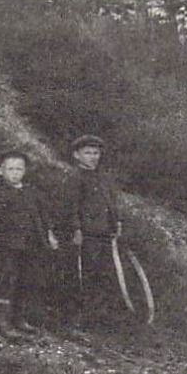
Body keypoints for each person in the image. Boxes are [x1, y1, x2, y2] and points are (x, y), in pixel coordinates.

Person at [0, 148, 59, 333]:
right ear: (0, 171)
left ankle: (18, 318)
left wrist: (49, 235)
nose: (15, 173)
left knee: (26, 281)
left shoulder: (31, 193)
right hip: (8, 245)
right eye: (11, 169)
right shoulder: (0, 194)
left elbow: (43, 215)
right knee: (6, 279)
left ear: (25, 171)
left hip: (30, 244)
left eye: (19, 169)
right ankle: (1, 320)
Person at [59, 133, 125, 328]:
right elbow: (71, 207)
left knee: (102, 275)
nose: (93, 157)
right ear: (77, 155)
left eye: (96, 153)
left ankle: (96, 318)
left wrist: (117, 222)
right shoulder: (75, 177)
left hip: (105, 234)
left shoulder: (104, 178)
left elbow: (111, 203)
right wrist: (76, 229)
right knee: (83, 276)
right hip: (86, 236)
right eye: (88, 153)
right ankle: (76, 320)